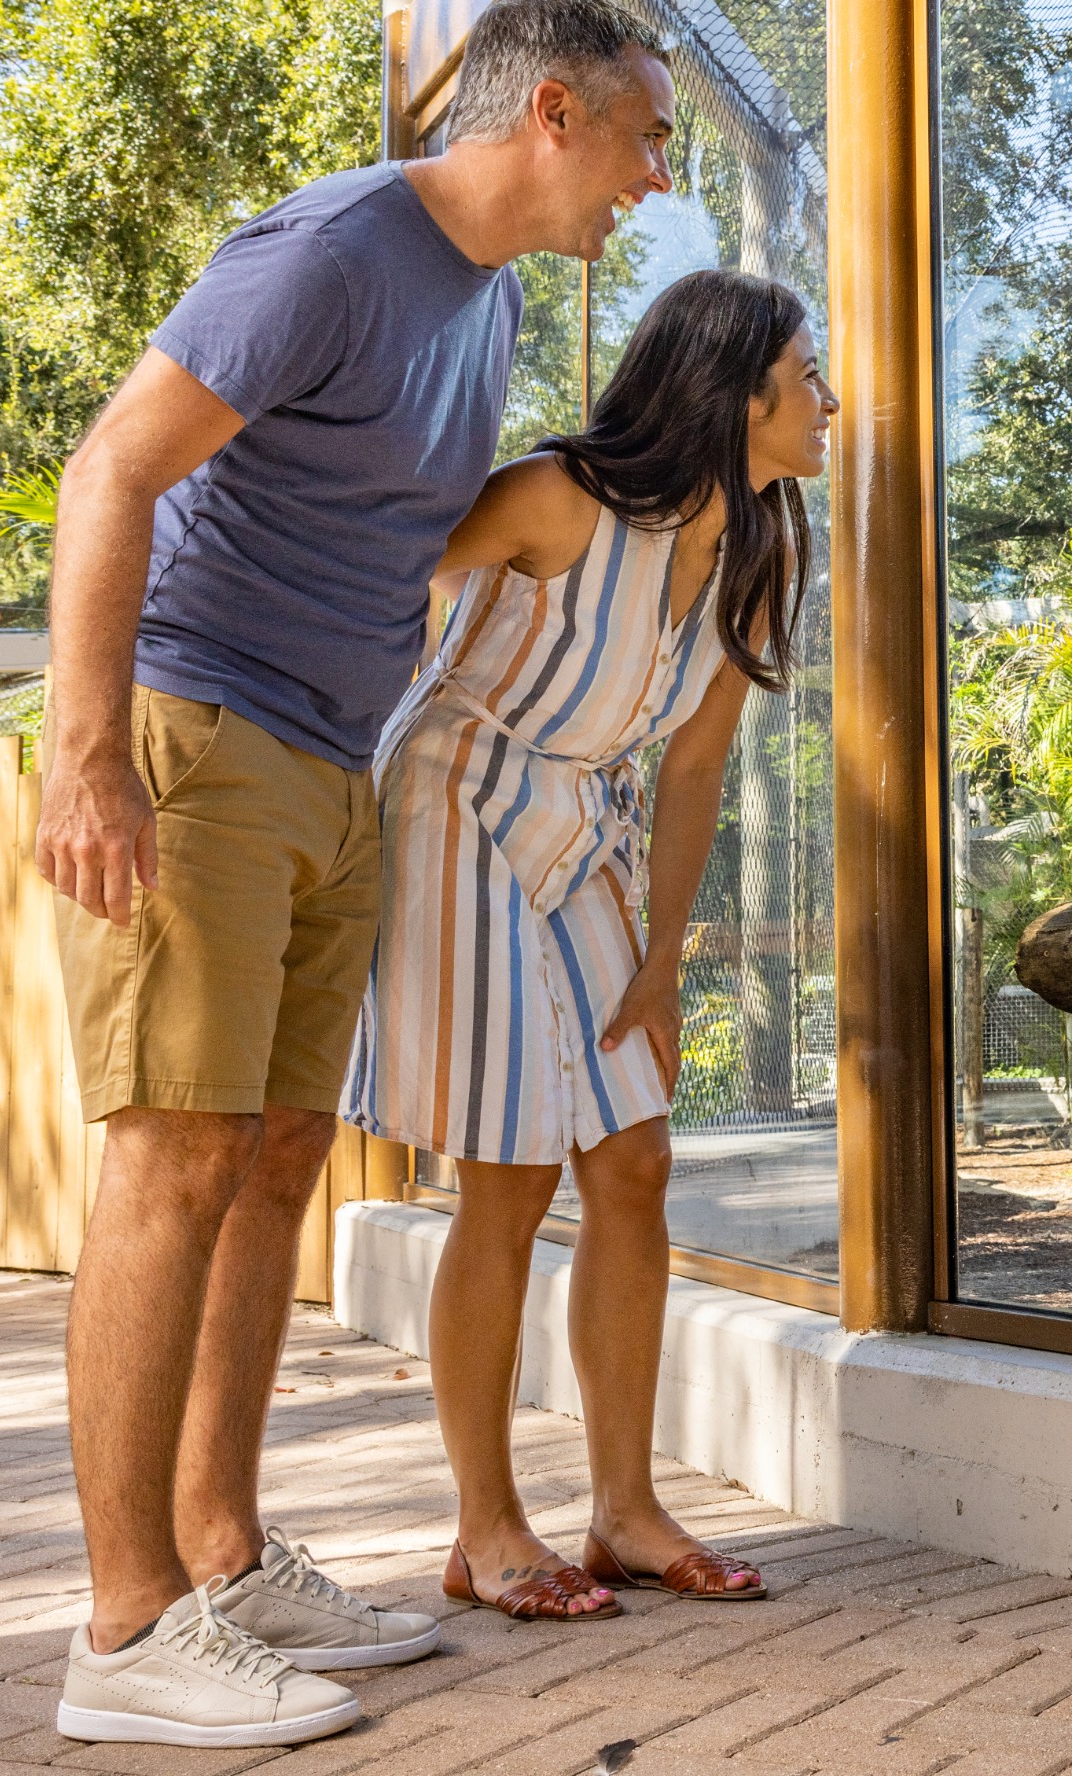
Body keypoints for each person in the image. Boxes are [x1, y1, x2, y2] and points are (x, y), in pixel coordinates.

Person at [32, 0, 677, 1750]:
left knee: (276, 1155)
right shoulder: (331, 248)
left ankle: (223, 1562)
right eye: (645, 135)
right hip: (205, 732)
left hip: (337, 760)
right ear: (552, 113)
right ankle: (123, 1628)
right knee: (173, 1153)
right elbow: (112, 471)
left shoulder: (492, 298)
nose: (658, 174)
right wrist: (91, 755)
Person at [343, 267, 826, 1621]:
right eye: (810, 373)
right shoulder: (556, 496)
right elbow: (387, 582)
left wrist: (664, 951)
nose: (832, 400)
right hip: (458, 798)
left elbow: (693, 771)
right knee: (504, 1173)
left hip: (590, 826)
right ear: (738, 392)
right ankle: (487, 1529)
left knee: (636, 1160)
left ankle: (622, 1510)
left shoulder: (766, 540)